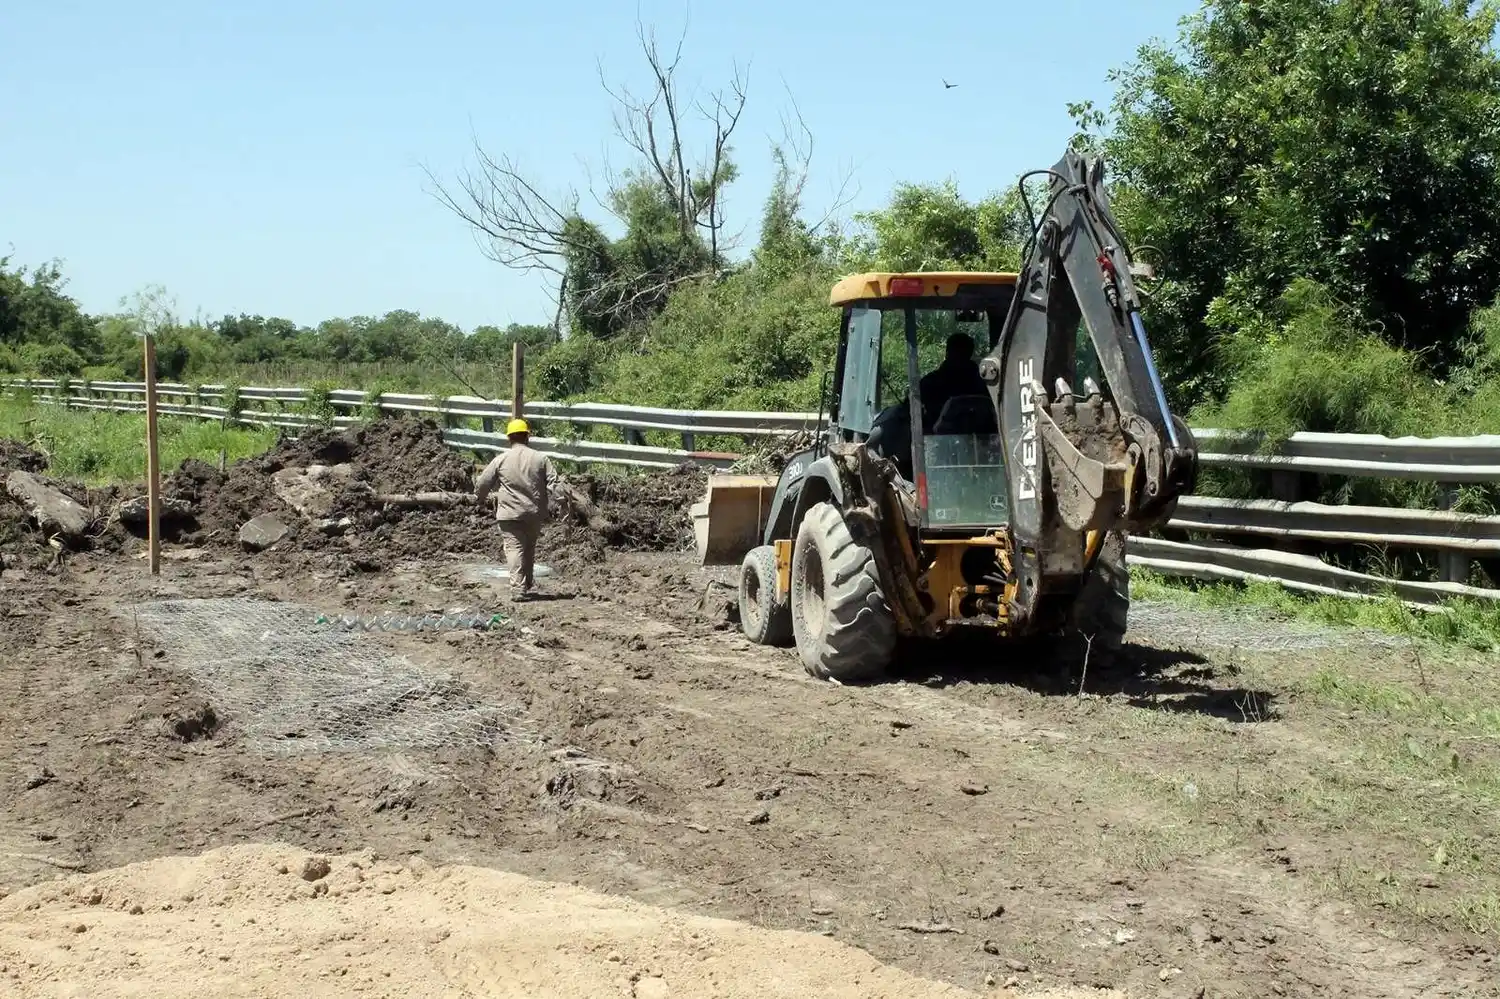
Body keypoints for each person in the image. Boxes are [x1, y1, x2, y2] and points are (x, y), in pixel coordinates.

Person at [475, 418, 557, 601]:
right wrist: (555, 503)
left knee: (514, 549)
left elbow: (482, 483)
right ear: (527, 437)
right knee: (529, 547)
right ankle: (527, 582)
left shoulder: (501, 459)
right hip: (534, 513)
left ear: (509, 438)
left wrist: (479, 499)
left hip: (509, 513)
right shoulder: (541, 458)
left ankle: (518, 588)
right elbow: (555, 483)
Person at [918, 332, 988, 431]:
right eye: (957, 353)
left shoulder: (982, 384)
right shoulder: (984, 383)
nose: (958, 359)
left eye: (962, 354)